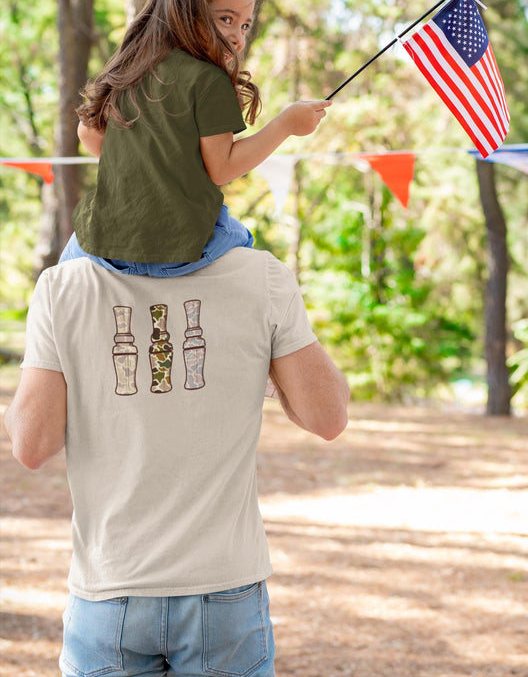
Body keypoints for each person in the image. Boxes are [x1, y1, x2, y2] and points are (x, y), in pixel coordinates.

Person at [5, 246, 349, 676]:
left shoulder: (64, 286)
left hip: (111, 586)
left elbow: (31, 445)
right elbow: (329, 416)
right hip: (223, 586)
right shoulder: (262, 277)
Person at [63, 0, 331, 274]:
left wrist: (147, 165)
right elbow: (222, 168)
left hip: (106, 243)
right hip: (178, 247)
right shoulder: (208, 80)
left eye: (245, 25)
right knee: (244, 241)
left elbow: (87, 134)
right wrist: (287, 124)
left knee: (67, 261)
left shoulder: (130, 67)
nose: (238, 37)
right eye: (226, 19)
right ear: (185, 9)